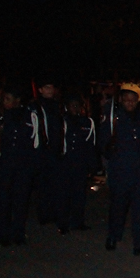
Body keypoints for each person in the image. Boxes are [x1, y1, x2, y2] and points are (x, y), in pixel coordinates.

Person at [99, 83, 140, 255]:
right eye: (126, 100)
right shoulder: (113, 118)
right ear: (121, 101)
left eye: (133, 100)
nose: (130, 103)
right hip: (121, 170)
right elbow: (104, 143)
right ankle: (113, 236)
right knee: (118, 207)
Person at [0, 85, 39, 246]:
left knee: (20, 200)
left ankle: (18, 232)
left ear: (17, 100)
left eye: (8, 99)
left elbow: (35, 141)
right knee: (4, 199)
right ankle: (2, 233)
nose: (5, 102)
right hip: (5, 163)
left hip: (23, 164)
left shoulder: (30, 116)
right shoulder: (0, 115)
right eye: (4, 98)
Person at [57, 94, 98, 233]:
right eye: (72, 105)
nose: (75, 108)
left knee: (79, 194)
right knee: (64, 194)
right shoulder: (62, 122)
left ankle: (78, 222)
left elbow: (90, 145)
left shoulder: (88, 123)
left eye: (77, 105)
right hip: (65, 162)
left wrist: (92, 166)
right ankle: (63, 223)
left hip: (80, 163)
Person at [31, 77, 64, 231]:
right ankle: (44, 214)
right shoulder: (35, 106)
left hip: (56, 150)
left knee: (56, 184)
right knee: (43, 184)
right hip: (42, 151)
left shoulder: (57, 106)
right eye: (46, 88)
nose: (49, 91)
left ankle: (55, 213)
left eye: (51, 87)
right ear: (40, 90)